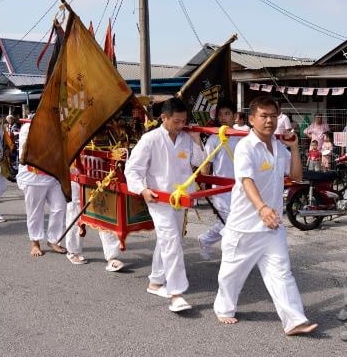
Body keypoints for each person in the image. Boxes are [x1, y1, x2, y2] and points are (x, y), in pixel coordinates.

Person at [214, 95, 318, 336]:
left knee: (282, 272)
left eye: (273, 116)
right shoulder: (246, 147)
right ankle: (224, 307)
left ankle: (294, 320)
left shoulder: (279, 148)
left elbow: (296, 177)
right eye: (264, 116)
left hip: (272, 226)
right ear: (251, 119)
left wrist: (294, 148)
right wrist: (261, 207)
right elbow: (246, 180)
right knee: (231, 274)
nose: (269, 121)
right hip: (244, 226)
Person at [124, 97, 204, 313]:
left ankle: (156, 281)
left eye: (183, 121)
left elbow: (199, 162)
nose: (180, 125)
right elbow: (132, 169)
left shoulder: (186, 138)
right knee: (171, 241)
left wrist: (196, 139)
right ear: (164, 118)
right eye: (176, 121)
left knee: (170, 239)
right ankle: (176, 293)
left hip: (180, 197)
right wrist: (142, 189)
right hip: (159, 199)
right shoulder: (150, 139)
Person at [16, 120, 68, 257]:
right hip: (33, 177)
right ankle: (35, 243)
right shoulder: (28, 127)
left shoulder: (58, 127)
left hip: (53, 176)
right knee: (35, 212)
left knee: (60, 207)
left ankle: (54, 239)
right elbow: (26, 154)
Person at [198, 100, 241, 261]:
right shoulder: (214, 139)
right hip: (221, 188)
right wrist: (203, 182)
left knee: (231, 220)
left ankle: (205, 239)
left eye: (227, 114)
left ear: (235, 116)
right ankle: (232, 255)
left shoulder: (243, 136)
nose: (223, 118)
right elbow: (207, 162)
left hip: (241, 186)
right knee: (228, 221)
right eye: (221, 114)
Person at [64, 160, 125, 270]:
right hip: (77, 166)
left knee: (107, 207)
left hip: (102, 165)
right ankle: (73, 251)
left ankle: (112, 256)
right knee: (77, 208)